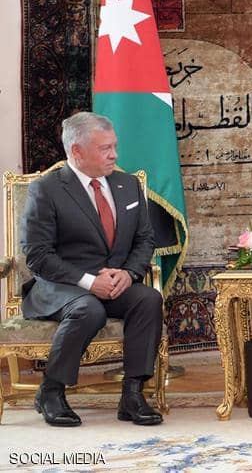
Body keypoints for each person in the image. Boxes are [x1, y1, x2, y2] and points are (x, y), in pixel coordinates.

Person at [21, 111, 164, 427]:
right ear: (77, 151)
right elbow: (37, 255)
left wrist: (128, 273)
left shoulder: (127, 184)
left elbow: (145, 239)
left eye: (114, 146)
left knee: (148, 299)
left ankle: (132, 394)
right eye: (105, 148)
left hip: (115, 281)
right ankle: (51, 391)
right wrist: (88, 282)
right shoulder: (46, 190)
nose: (114, 155)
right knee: (89, 309)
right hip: (63, 286)